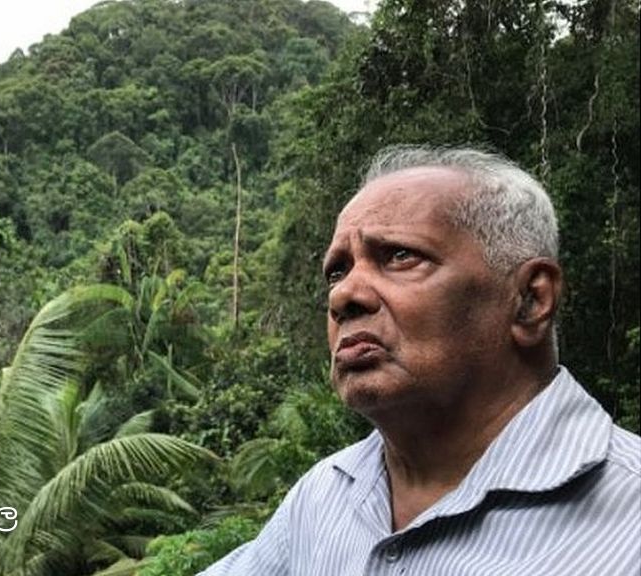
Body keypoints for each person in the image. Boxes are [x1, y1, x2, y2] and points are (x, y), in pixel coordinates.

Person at [200, 146, 640, 575]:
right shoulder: (324, 496)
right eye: (337, 271)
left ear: (530, 299)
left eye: (400, 256)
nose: (343, 295)